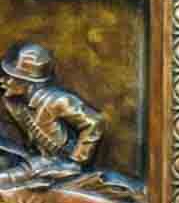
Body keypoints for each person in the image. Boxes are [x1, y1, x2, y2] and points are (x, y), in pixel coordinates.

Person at [0, 42, 106, 171]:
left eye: (11, 77)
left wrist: (76, 162)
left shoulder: (57, 101)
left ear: (28, 82)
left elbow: (95, 122)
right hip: (38, 162)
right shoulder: (14, 103)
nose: (3, 80)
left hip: (60, 164)